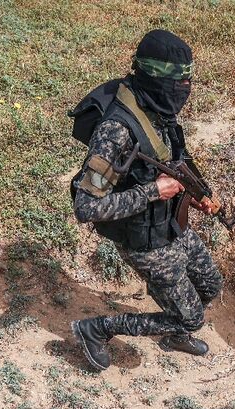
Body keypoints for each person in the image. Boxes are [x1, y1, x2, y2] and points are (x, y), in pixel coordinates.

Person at [68, 30, 223, 371]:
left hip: (171, 224)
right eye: (177, 83)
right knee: (191, 317)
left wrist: (195, 192)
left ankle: (176, 323)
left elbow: (172, 157)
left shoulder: (155, 107)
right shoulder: (115, 132)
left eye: (187, 81)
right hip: (144, 240)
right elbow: (86, 207)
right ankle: (96, 329)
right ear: (155, 79)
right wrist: (154, 191)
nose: (184, 91)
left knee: (210, 285)